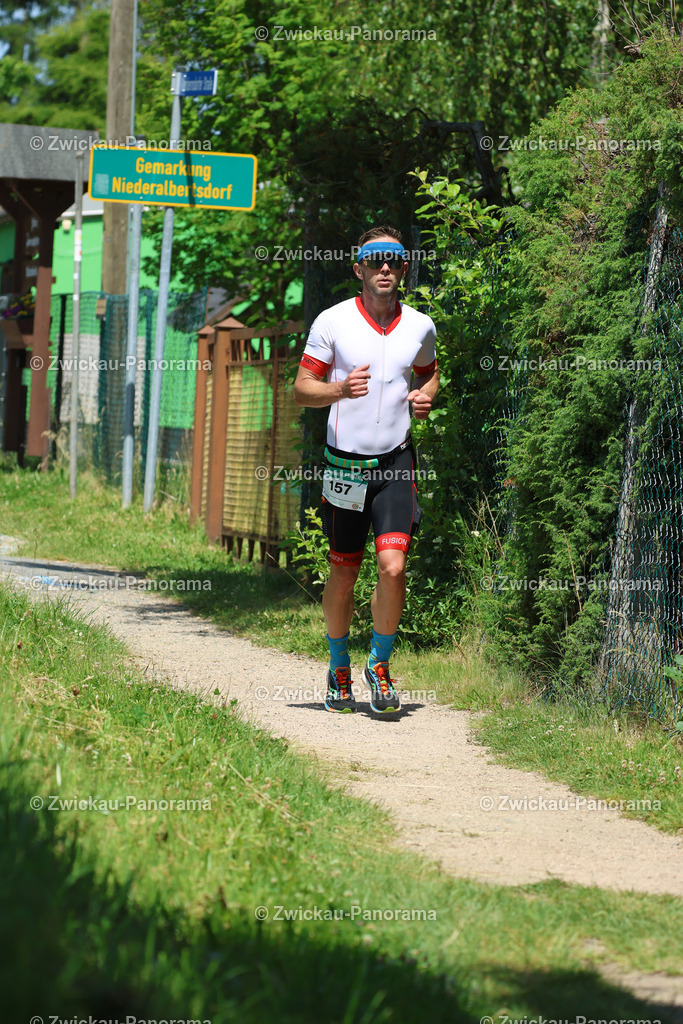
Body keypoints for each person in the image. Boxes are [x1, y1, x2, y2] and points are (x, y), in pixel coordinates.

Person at [293, 226, 439, 714]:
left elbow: (429, 373)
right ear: (358, 269)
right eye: (375, 260)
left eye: (393, 260)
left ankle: (378, 663)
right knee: (344, 571)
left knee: (393, 567)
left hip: (396, 463)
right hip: (345, 468)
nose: (384, 268)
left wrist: (425, 397)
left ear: (404, 269)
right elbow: (301, 389)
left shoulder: (420, 325)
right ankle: (339, 668)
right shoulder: (333, 322)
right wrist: (338, 390)